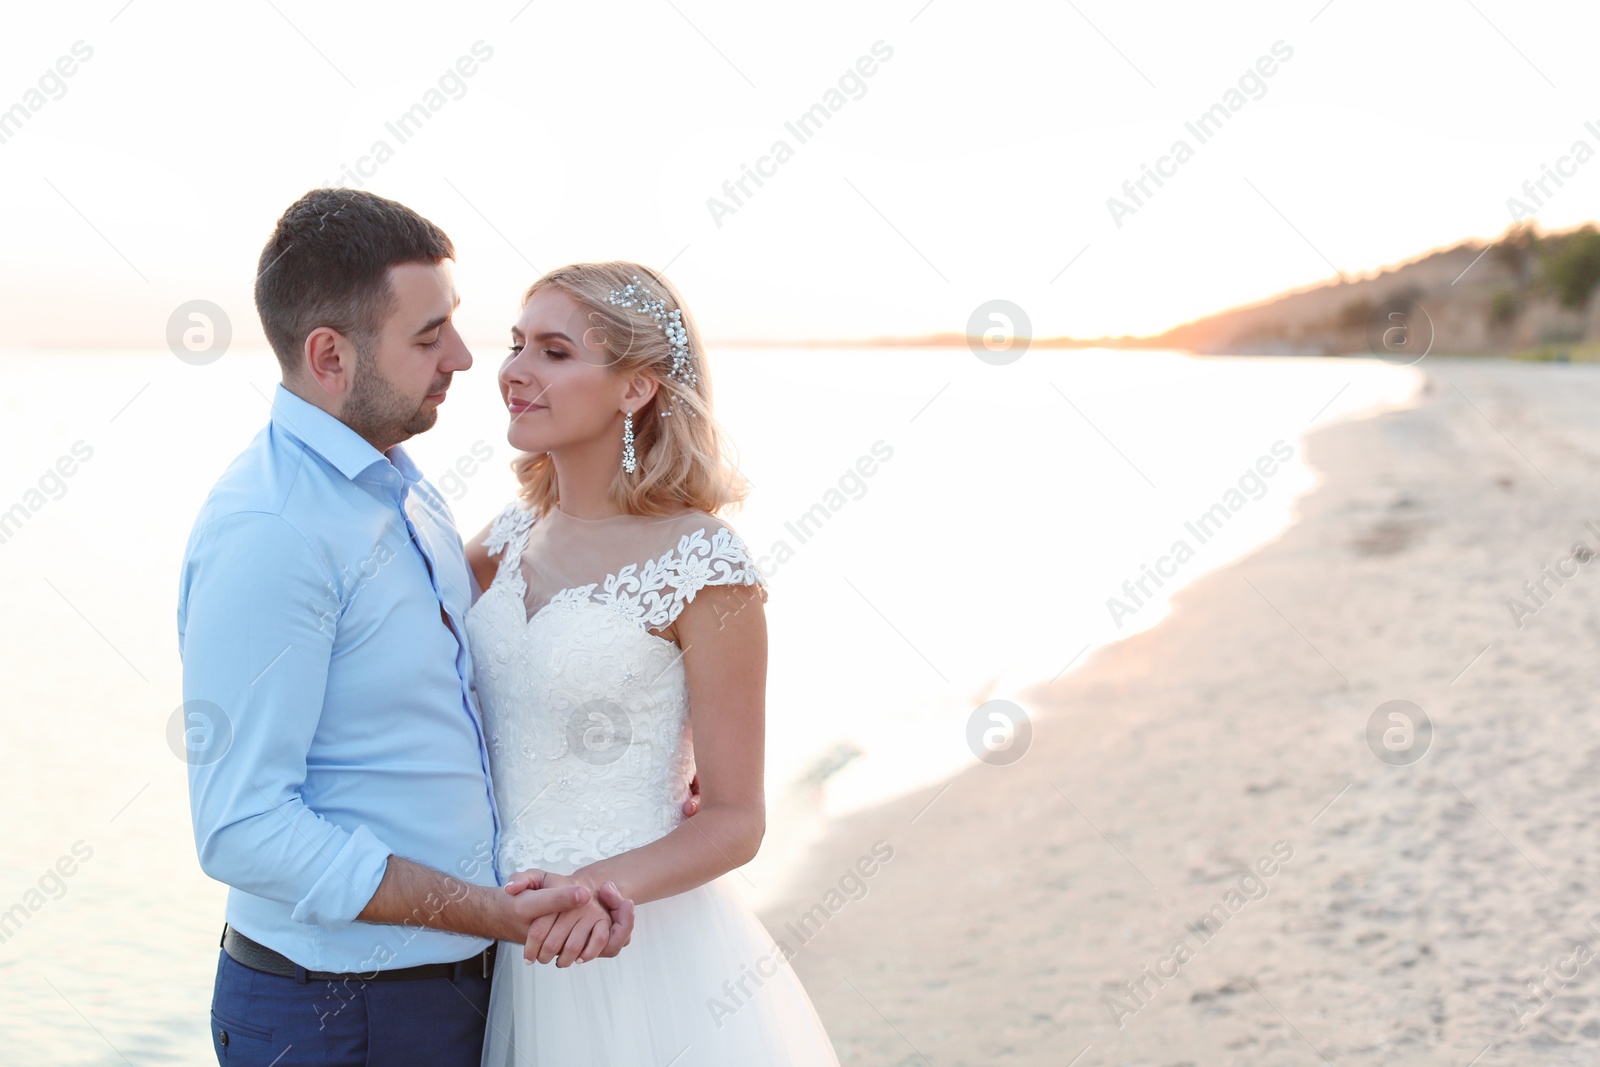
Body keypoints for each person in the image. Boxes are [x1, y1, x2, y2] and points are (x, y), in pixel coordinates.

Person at [176, 189, 676, 1066]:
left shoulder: (403, 486)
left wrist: (659, 757)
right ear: (330, 354)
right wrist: (489, 911)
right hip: (337, 1013)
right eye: (427, 334)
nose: (464, 356)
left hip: (458, 988)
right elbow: (242, 825)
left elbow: (496, 668)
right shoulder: (272, 529)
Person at [462, 262, 841, 1064]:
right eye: (517, 343)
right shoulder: (501, 540)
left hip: (631, 937)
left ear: (635, 389)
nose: (515, 371)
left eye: (556, 351)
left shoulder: (704, 561)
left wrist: (598, 887)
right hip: (498, 933)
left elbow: (737, 818)